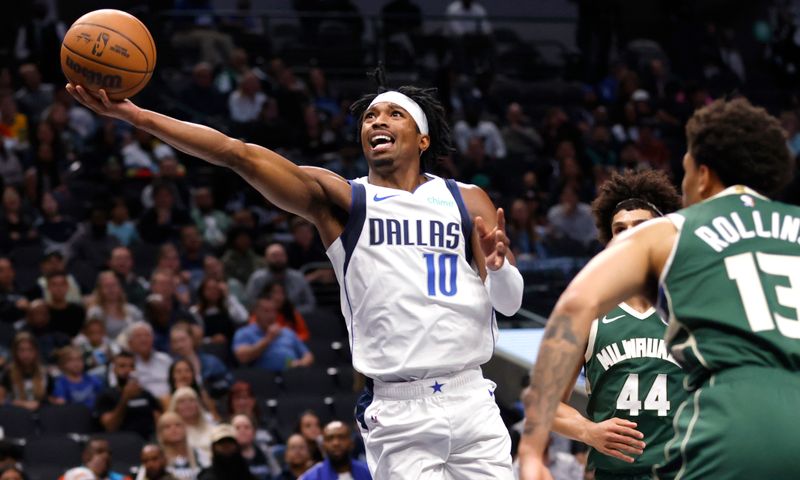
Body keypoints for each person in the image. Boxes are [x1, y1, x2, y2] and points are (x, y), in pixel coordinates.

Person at [67, 76, 523, 479]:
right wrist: (137, 116)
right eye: (369, 116)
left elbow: (509, 303)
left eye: (394, 113)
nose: (377, 120)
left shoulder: (466, 199)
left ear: (422, 138)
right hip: (400, 406)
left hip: (470, 394)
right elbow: (236, 154)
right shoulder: (342, 200)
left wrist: (500, 272)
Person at [519, 98, 800, 480]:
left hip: (731, 428)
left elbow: (573, 306)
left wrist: (532, 450)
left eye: (684, 169)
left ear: (702, 175)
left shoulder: (677, 231)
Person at [549, 170, 684, 480]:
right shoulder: (587, 313)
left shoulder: (691, 310)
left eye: (640, 227)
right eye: (619, 229)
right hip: (613, 473)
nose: (627, 235)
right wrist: (588, 431)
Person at [233, 297, 313, 372]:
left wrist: (301, 363)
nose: (271, 316)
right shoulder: (244, 333)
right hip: (263, 379)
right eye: (266, 311)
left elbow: (308, 355)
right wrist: (268, 339)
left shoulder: (287, 332)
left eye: (273, 311)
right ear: (256, 312)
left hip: (292, 375)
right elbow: (242, 357)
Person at [95, 351, 163, 439]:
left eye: (132, 366)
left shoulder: (145, 394)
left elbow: (159, 421)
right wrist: (125, 399)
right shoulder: (106, 395)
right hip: (122, 443)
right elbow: (110, 427)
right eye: (122, 366)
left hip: (149, 441)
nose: (128, 370)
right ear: (114, 369)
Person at [244, 243, 316, 313]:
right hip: (265, 318)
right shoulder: (257, 278)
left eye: (281, 255)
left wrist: (291, 312)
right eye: (274, 256)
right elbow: (250, 303)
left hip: (294, 317)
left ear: (286, 257)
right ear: (266, 258)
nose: (278, 259)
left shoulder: (298, 277)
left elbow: (310, 303)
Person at [169, 323, 233, 399]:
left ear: (192, 339)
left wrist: (211, 389)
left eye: (182, 340)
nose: (179, 345)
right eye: (175, 342)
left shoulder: (211, 362)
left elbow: (229, 381)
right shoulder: (170, 366)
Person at [299, 420, 371, 480]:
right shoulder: (310, 477)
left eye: (341, 437)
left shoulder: (370, 471)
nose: (336, 443)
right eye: (330, 438)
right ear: (323, 446)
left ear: (351, 443)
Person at [0, 332, 54, 410]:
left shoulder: (45, 373)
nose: (26, 354)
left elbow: (52, 399)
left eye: (30, 349)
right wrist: (20, 404)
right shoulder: (8, 373)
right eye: (21, 350)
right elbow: (1, 400)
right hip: (16, 415)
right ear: (15, 352)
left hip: (42, 415)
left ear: (36, 351)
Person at [87, 271, 145, 339]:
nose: (111, 289)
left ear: (119, 288)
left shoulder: (132, 311)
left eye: (114, 285)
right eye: (106, 286)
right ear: (100, 290)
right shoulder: (95, 313)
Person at [168, 386, 216, 467]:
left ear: (198, 404)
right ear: (175, 407)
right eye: (182, 401)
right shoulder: (172, 432)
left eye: (191, 400)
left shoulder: (212, 426)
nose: (187, 405)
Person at [232, 414, 281, 480]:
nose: (242, 431)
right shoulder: (226, 455)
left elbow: (276, 475)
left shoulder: (264, 451)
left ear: (254, 432)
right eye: (237, 428)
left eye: (246, 427)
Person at [156, 412, 202, 479]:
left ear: (185, 428)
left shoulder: (199, 454)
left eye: (178, 425)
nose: (173, 429)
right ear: (160, 433)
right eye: (167, 426)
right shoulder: (156, 458)